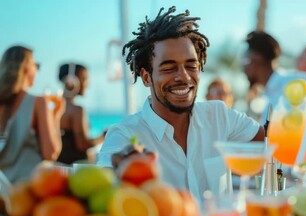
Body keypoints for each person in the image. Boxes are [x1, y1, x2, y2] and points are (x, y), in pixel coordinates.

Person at [97, 6, 264, 201]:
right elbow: (101, 193)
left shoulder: (220, 115)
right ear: (146, 77)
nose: (183, 77)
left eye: (191, 66)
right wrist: (120, 174)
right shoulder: (125, 135)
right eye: (169, 68)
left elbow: (271, 149)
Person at [0, 46, 64, 182]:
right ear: (27, 69)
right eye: (36, 65)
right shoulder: (38, 102)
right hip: (28, 190)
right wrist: (55, 117)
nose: (37, 71)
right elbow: (51, 154)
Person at [243, 31, 306, 121]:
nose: (244, 66)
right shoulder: (265, 98)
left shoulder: (299, 81)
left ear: (258, 58)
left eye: (246, 59)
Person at [56, 63, 105, 165]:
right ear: (71, 81)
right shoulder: (77, 110)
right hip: (77, 169)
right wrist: (104, 136)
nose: (87, 84)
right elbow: (82, 144)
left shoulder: (55, 107)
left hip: (61, 166)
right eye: (84, 79)